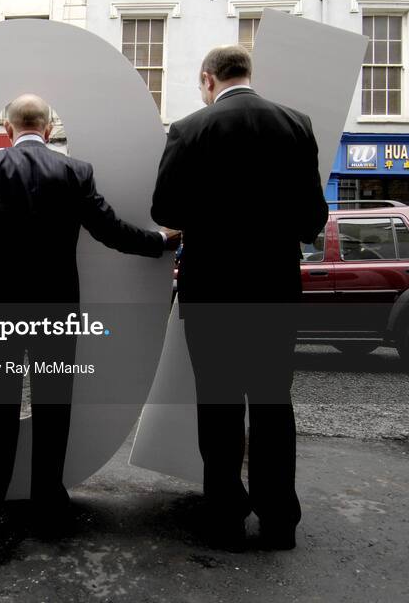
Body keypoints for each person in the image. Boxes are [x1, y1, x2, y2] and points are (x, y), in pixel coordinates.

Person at [0, 93, 178, 529]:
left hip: (3, 312)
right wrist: (161, 242)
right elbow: (110, 230)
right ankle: (49, 502)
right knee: (54, 405)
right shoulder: (76, 171)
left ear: (9, 129)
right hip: (55, 309)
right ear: (49, 130)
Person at [151, 46, 328, 551]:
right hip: (274, 286)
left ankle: (226, 517)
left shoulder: (189, 129)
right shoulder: (297, 124)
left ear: (209, 79)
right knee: (274, 403)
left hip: (214, 288)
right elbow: (313, 218)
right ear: (248, 74)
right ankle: (278, 522)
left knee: (220, 403)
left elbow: (164, 205)